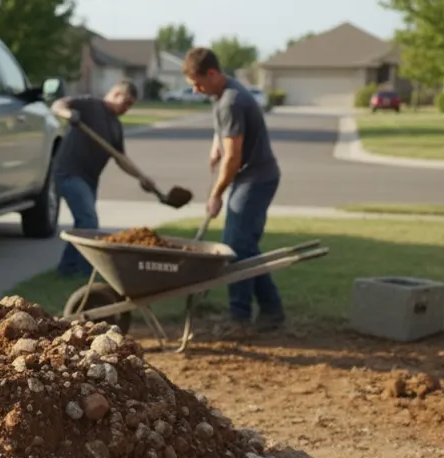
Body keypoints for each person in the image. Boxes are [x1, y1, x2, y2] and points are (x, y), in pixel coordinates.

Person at [183, 47, 284, 335]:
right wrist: (216, 143)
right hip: (253, 176)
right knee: (246, 246)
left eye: (198, 84)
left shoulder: (231, 101)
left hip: (256, 178)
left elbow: (233, 158)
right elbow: (227, 135)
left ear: (212, 73)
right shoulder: (223, 94)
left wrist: (216, 194)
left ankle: (240, 318)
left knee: (235, 247)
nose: (195, 91)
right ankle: (272, 310)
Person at [50, 82, 158, 277]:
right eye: (126, 103)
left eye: (131, 106)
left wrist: (141, 177)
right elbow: (57, 105)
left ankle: (67, 268)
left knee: (84, 224)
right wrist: (69, 114)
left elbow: (121, 158)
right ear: (115, 93)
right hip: (69, 172)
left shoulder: (115, 126)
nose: (127, 109)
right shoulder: (90, 104)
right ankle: (86, 271)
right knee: (89, 221)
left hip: (90, 179)